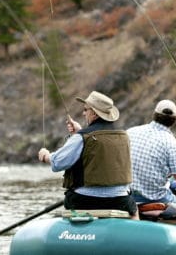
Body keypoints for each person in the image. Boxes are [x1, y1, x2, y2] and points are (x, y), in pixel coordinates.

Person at [38, 91, 139, 220]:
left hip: (84, 200)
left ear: (95, 114)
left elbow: (58, 162)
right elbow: (99, 146)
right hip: (120, 200)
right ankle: (134, 232)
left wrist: (45, 156)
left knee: (71, 198)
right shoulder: (124, 136)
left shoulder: (81, 138)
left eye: (86, 110)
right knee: (134, 210)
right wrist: (79, 132)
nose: (83, 113)